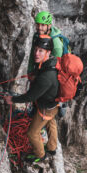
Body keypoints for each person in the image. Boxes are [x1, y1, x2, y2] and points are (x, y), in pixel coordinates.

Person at [5, 35, 59, 163]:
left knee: (32, 133)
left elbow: (31, 96)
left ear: (48, 52)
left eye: (41, 51)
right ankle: (52, 148)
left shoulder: (46, 77)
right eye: (35, 50)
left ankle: (40, 156)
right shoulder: (51, 63)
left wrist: (12, 100)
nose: (36, 53)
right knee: (51, 123)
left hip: (45, 108)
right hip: (53, 104)